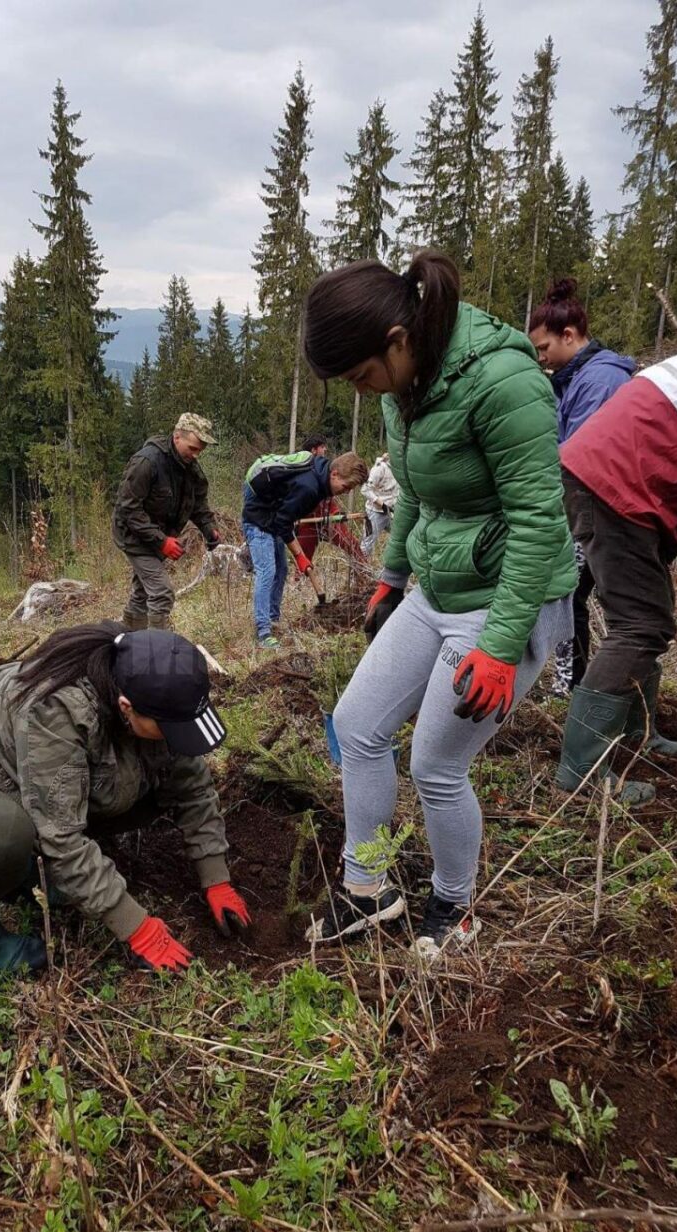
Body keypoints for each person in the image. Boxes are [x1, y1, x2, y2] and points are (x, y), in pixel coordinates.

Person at [301, 251, 576, 957]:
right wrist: (392, 580)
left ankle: (454, 909)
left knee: (435, 765)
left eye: (363, 374)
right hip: (441, 588)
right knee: (358, 722)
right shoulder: (407, 386)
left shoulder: (502, 380)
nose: (365, 392)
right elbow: (417, 494)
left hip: (509, 600)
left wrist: (501, 645)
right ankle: (370, 891)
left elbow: (540, 522)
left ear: (398, 339)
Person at [0, 624, 250, 974]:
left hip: (22, 786)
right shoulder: (57, 710)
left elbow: (192, 787)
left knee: (145, 791)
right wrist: (138, 929)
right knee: (4, 835)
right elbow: (60, 837)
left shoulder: (147, 684)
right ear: (127, 707)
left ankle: (28, 873)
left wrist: (216, 879)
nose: (178, 738)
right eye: (171, 729)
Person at [555, 318, 677, 805]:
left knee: (647, 615)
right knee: (641, 625)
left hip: (617, 481)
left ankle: (640, 732)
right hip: (620, 485)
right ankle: (581, 768)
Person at [529, 279, 635, 695]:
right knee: (570, 598)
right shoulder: (574, 380)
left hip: (602, 511)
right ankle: (572, 682)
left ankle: (575, 685)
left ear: (568, 336)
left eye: (544, 348)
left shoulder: (600, 381)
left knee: (573, 598)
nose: (542, 358)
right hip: (584, 508)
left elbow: (579, 455)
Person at [241, 450, 368, 648]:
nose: (347, 491)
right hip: (258, 509)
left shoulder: (322, 476)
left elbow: (286, 516)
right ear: (334, 474)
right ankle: (263, 632)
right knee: (267, 570)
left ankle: (273, 619)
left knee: (281, 570)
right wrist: (300, 556)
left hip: (273, 508)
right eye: (347, 486)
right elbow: (284, 523)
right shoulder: (309, 488)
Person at [112, 413, 221, 631]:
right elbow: (128, 508)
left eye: (200, 450)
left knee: (143, 592)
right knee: (161, 592)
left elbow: (197, 503)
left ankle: (127, 639)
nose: (196, 455)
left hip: (157, 535)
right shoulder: (147, 461)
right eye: (193, 448)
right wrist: (162, 542)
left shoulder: (189, 467)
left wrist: (209, 528)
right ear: (177, 437)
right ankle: (155, 649)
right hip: (133, 535)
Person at [295, 434, 367, 570]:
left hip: (330, 516)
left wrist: (334, 513)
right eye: (322, 447)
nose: (325, 449)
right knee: (304, 559)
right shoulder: (303, 468)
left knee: (352, 545)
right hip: (308, 522)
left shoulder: (327, 469)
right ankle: (299, 582)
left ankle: (365, 577)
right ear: (313, 450)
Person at [360, 453, 400, 557]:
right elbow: (365, 489)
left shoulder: (401, 469)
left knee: (403, 539)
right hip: (375, 513)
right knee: (366, 545)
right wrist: (381, 503)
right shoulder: (380, 468)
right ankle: (358, 570)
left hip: (393, 512)